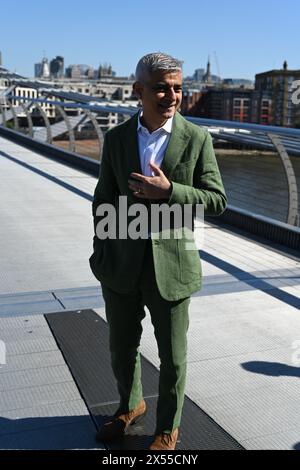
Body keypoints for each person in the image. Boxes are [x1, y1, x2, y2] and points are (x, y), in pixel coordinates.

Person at [89, 52, 227, 450]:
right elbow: (103, 201)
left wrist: (170, 192)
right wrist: (102, 251)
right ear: (139, 91)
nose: (172, 96)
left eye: (178, 88)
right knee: (121, 346)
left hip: (172, 266)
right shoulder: (116, 139)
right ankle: (130, 405)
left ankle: (168, 428)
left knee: (174, 357)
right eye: (161, 87)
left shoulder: (197, 139)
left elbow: (217, 200)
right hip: (120, 264)